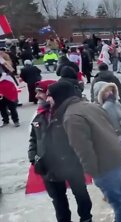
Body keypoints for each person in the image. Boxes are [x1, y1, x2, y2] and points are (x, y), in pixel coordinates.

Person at [49, 81, 121, 222]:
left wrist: (93, 172)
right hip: (115, 157)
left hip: (104, 166)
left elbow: (83, 150)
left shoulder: (71, 117)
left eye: (50, 96)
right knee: (120, 198)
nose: (47, 99)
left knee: (118, 203)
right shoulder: (90, 106)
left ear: (58, 97)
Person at [28, 80, 93, 222]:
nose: (37, 95)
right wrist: (33, 157)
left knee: (81, 194)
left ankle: (86, 218)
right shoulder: (38, 115)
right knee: (58, 201)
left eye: (41, 92)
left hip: (71, 164)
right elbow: (33, 138)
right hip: (48, 167)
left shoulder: (68, 114)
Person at [93, 81, 121, 194]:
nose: (109, 93)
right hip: (111, 139)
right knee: (110, 167)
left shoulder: (115, 103)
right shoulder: (101, 108)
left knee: (119, 165)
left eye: (111, 90)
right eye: (106, 91)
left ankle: (119, 187)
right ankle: (108, 192)